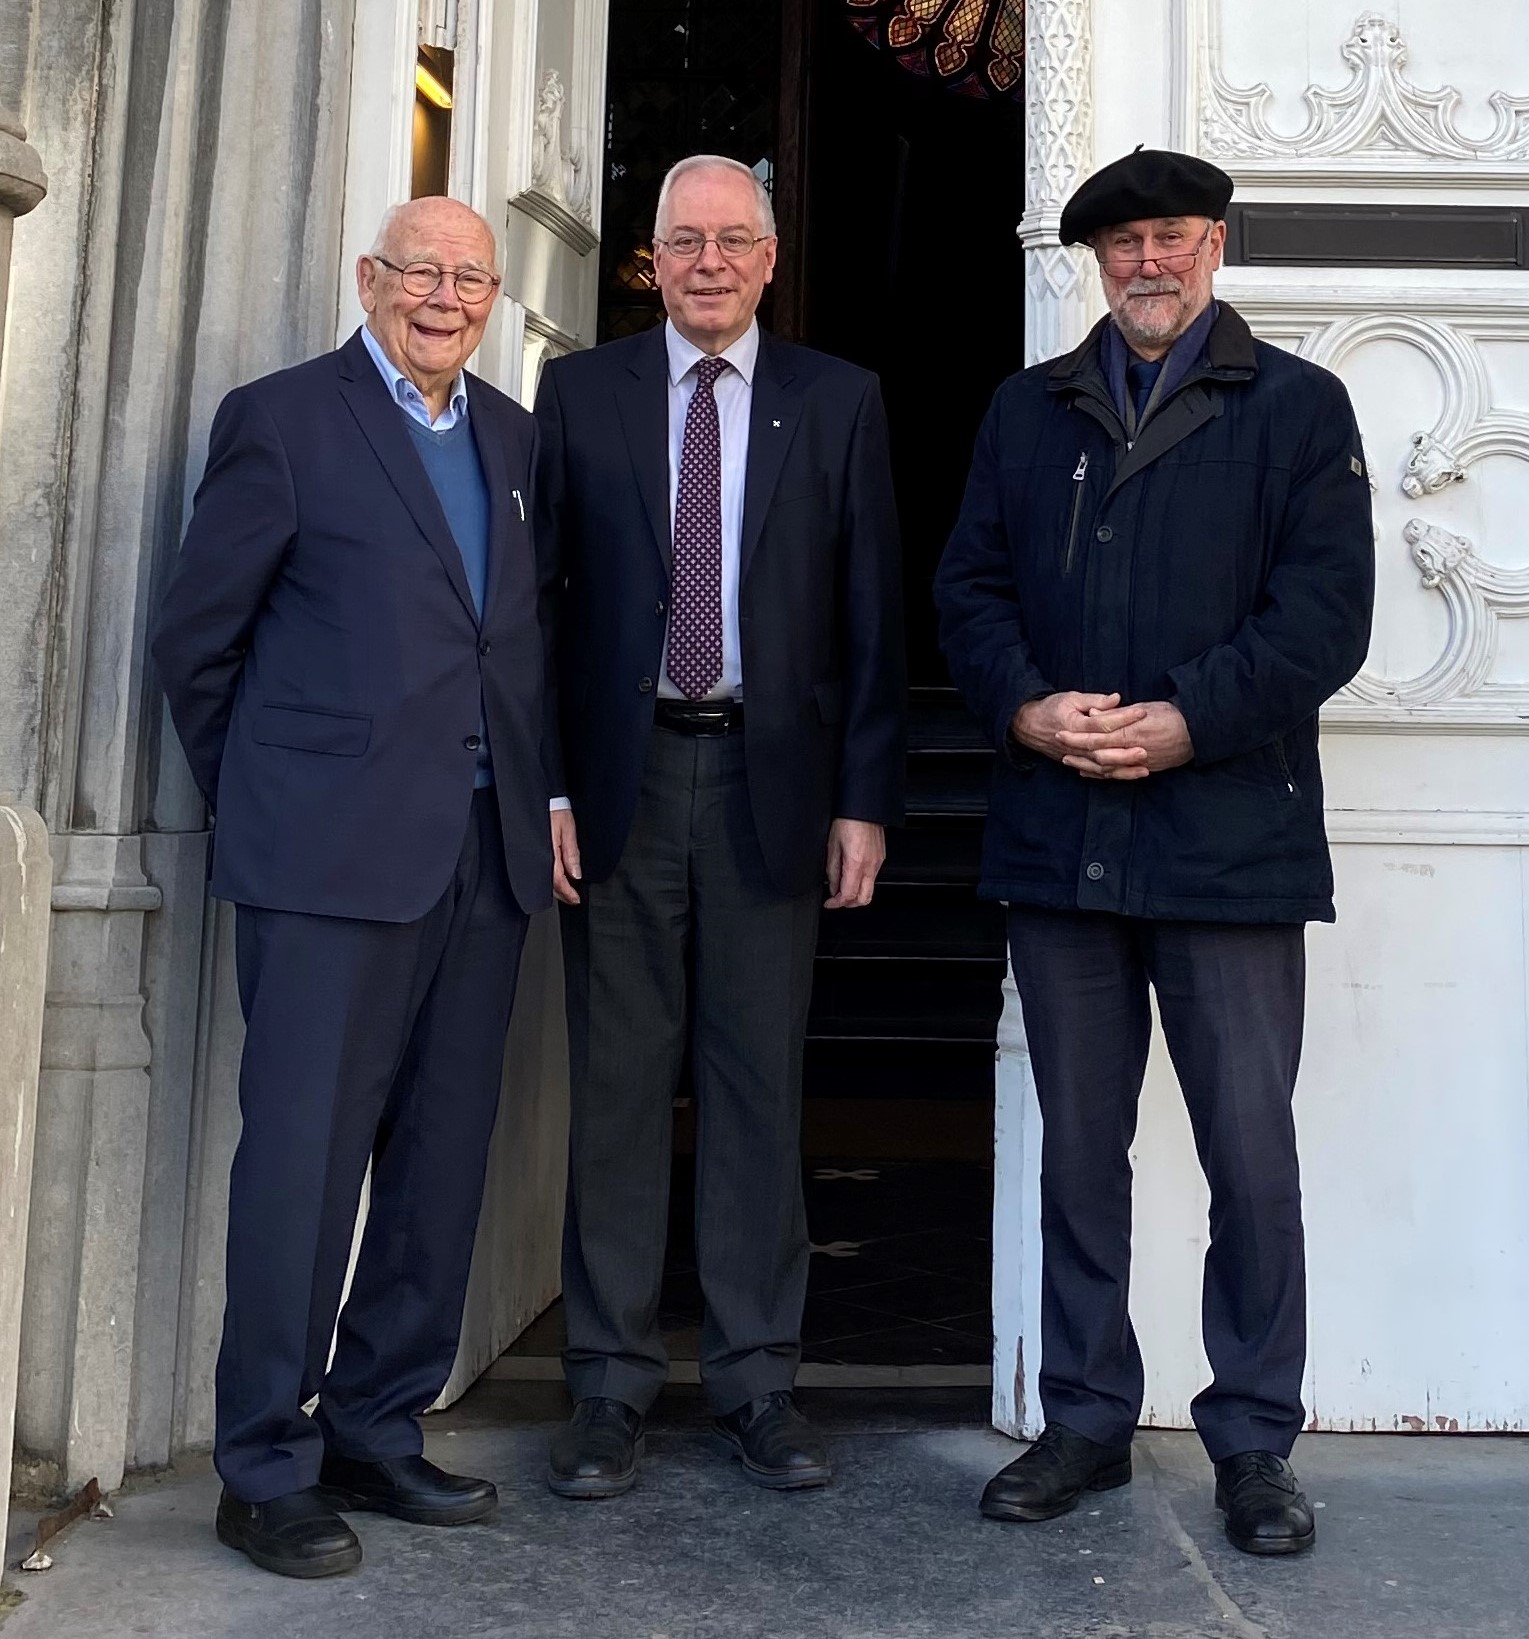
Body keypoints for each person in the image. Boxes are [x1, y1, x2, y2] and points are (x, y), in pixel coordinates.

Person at [934, 148, 1374, 1556]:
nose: (1147, 263)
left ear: (1216, 246)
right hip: (1062, 841)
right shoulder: (1025, 411)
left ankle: (1253, 1438)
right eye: (1122, 244)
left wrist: (1189, 723)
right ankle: (1084, 1422)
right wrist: (1023, 704)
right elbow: (968, 591)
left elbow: (1325, 619)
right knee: (1081, 1151)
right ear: (1094, 263)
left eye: (1172, 237)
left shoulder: (1300, 410)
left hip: (1227, 844)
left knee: (1252, 1157)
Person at [153, 197, 556, 1578]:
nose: (442, 297)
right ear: (368, 278)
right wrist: (272, 807)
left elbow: (514, 646)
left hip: (483, 857)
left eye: (469, 278)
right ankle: (262, 1464)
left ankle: (377, 1429)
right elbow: (199, 646)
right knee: (302, 1174)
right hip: (327, 866)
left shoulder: (510, 436)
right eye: (418, 271)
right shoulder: (283, 420)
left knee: (440, 1170)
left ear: (495, 299)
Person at [534, 154, 907, 1497]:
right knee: (621, 1094)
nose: (706, 262)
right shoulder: (578, 394)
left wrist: (866, 796)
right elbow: (539, 610)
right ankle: (609, 1387)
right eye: (682, 241)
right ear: (649, 257)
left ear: (768, 257)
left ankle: (758, 1381)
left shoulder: (838, 400)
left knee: (758, 1091)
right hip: (624, 781)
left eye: (730, 241)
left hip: (773, 784)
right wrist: (553, 789)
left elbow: (872, 617)